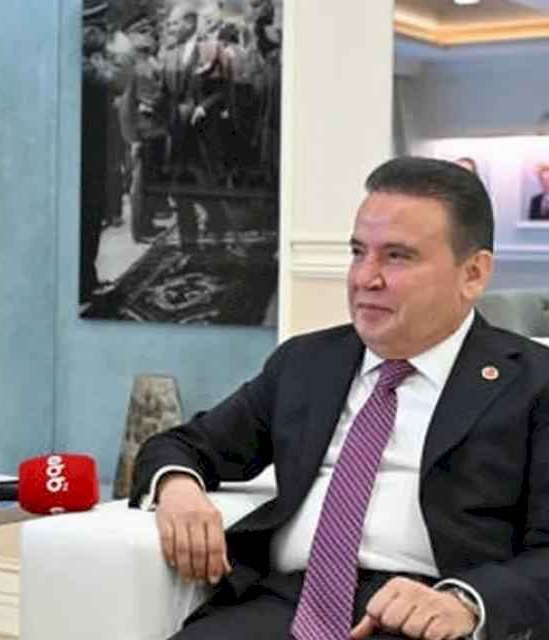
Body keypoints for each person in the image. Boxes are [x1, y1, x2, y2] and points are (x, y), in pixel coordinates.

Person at [130, 156, 549, 640]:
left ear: (472, 274)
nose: (364, 278)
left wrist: (466, 602)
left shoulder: (532, 383)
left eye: (397, 256)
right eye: (357, 252)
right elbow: (183, 444)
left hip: (425, 614)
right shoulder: (307, 363)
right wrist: (178, 489)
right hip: (283, 605)